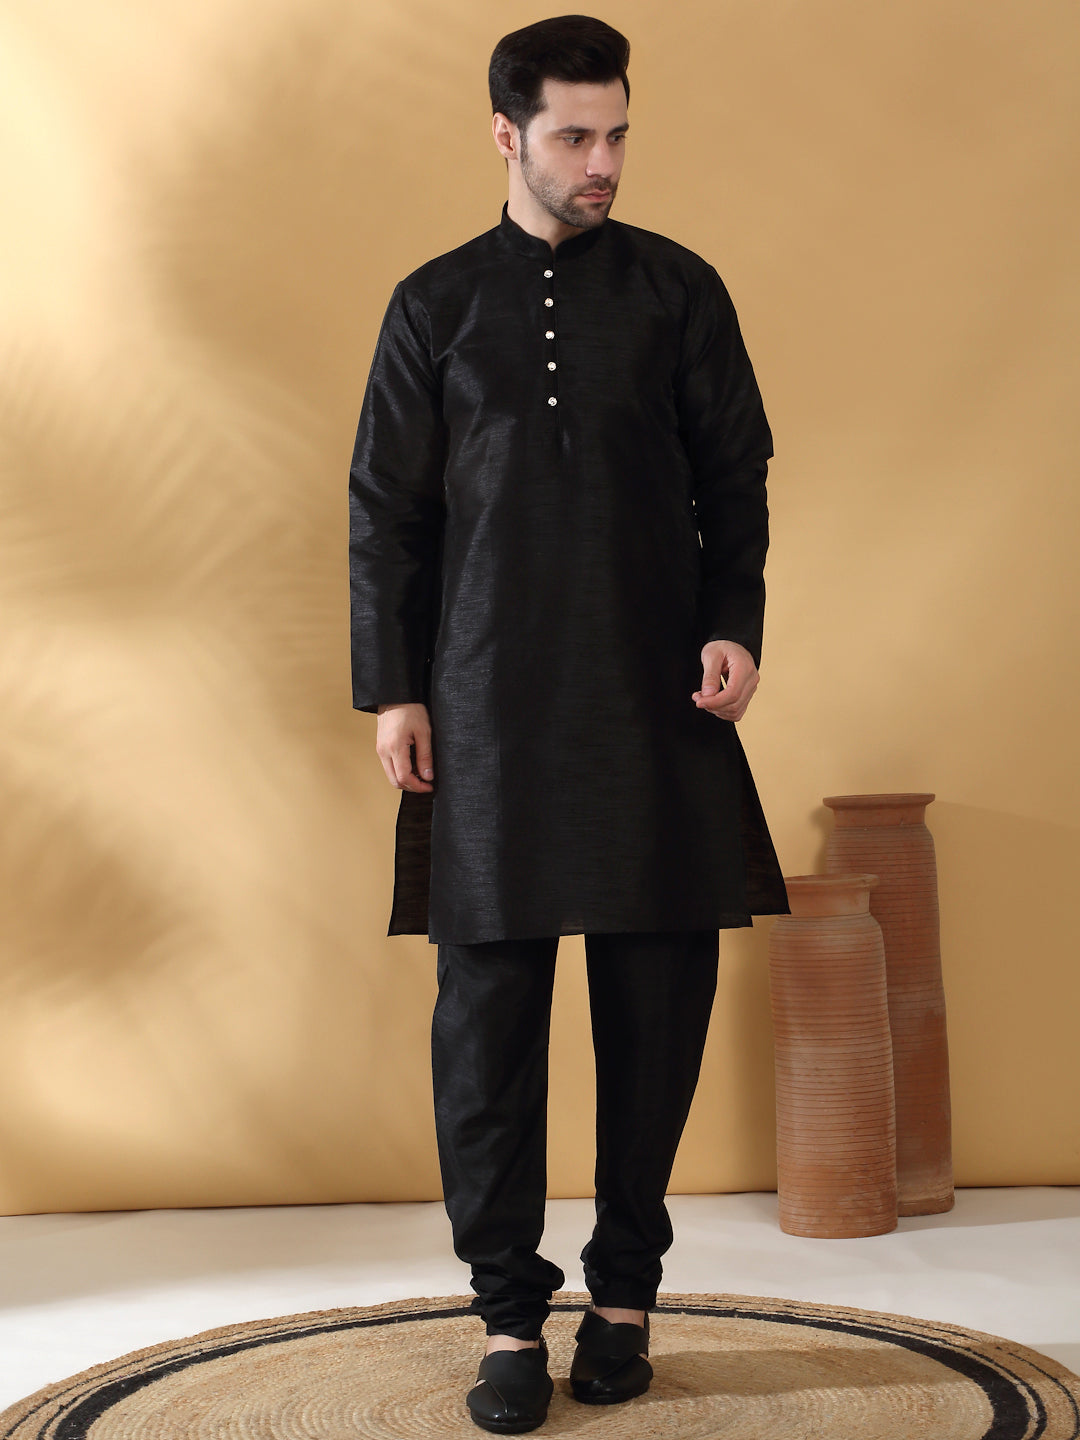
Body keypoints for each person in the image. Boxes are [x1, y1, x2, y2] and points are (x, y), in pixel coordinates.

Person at [348, 15, 788, 1432]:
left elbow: (735, 478)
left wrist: (732, 623)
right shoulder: (434, 304)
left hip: (654, 698)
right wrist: (397, 687)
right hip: (483, 705)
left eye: (618, 134)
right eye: (575, 136)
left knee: (656, 1006)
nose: (604, 161)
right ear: (507, 135)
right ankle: (504, 1314)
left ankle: (625, 1299)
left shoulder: (678, 291)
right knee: (484, 1023)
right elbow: (387, 510)